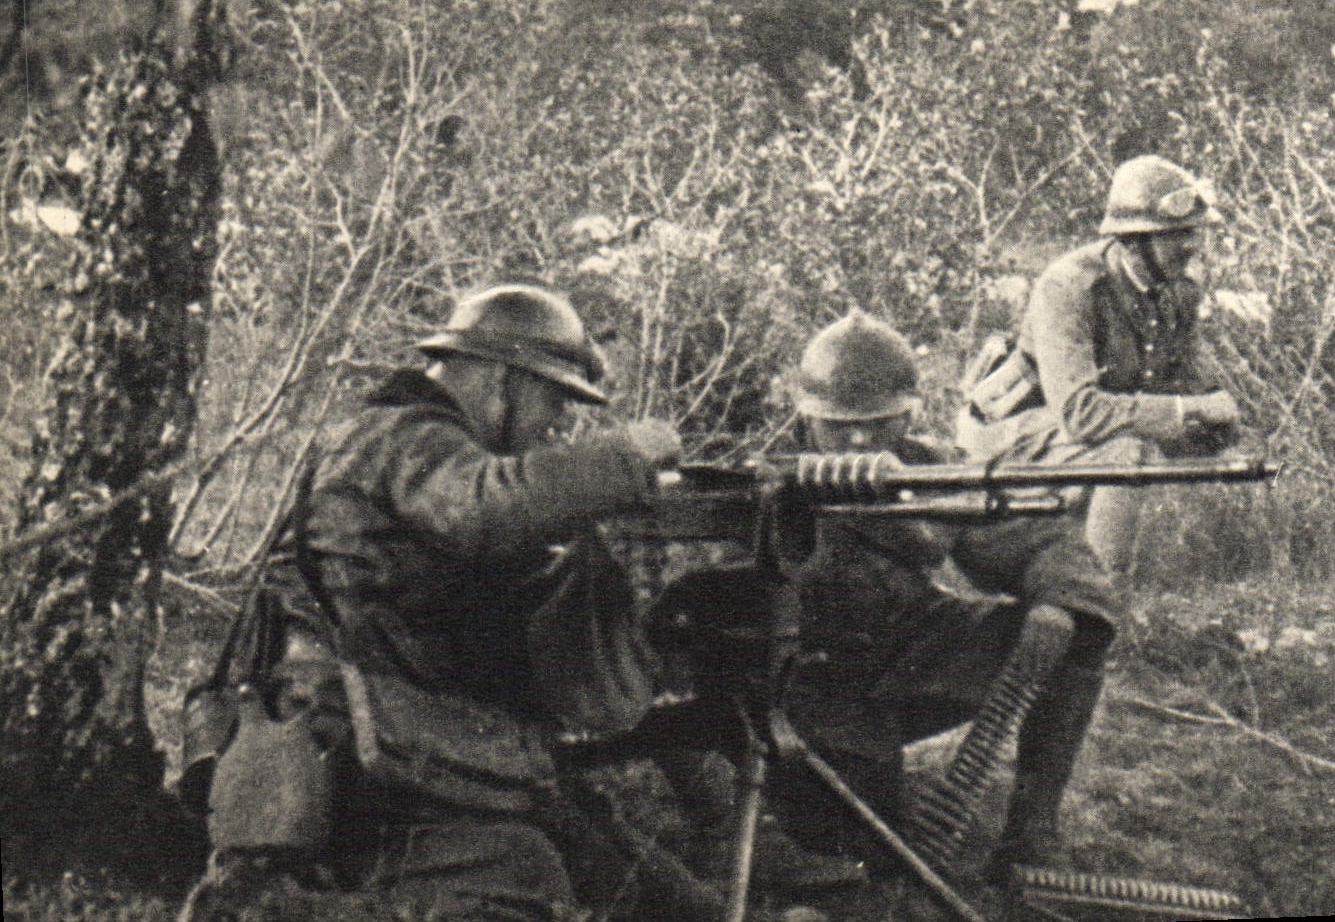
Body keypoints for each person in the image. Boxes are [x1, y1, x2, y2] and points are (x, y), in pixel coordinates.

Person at [182, 283, 682, 922]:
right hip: (368, 755)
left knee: (622, 874)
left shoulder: (391, 437)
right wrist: (627, 457)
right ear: (502, 381)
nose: (559, 421)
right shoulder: (406, 437)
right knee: (525, 872)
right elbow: (490, 508)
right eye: (554, 398)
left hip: (394, 731)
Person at [764, 310, 1119, 889]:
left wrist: (1059, 602)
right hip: (806, 688)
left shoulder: (927, 468)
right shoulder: (761, 479)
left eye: (878, 423)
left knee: (1075, 631)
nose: (859, 440)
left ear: (908, 415)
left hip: (907, 650)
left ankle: (1030, 833)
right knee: (870, 861)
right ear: (806, 417)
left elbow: (1037, 538)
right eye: (839, 426)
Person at [957, 154, 1245, 576]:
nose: (1191, 246)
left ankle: (1123, 570)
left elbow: (1189, 386)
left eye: (1192, 232)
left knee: (1187, 441)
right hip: (1011, 435)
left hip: (1078, 437)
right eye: (1175, 235)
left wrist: (1215, 423)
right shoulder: (1069, 287)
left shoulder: (1178, 291)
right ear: (1132, 242)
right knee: (1126, 453)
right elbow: (1080, 413)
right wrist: (1190, 410)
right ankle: (1102, 592)